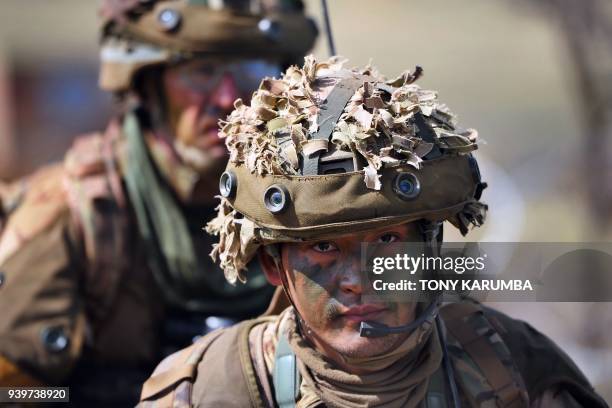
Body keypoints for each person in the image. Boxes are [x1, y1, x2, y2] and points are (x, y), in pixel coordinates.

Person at [138, 56, 608, 407]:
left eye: (386, 239)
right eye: (323, 246)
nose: (359, 277)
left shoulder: (512, 367)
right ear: (273, 265)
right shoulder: (213, 387)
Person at [0, 0, 316, 405]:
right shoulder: (72, 213)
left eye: (251, 71)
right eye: (201, 72)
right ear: (149, 84)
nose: (227, 98)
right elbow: (12, 389)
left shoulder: (318, 202)